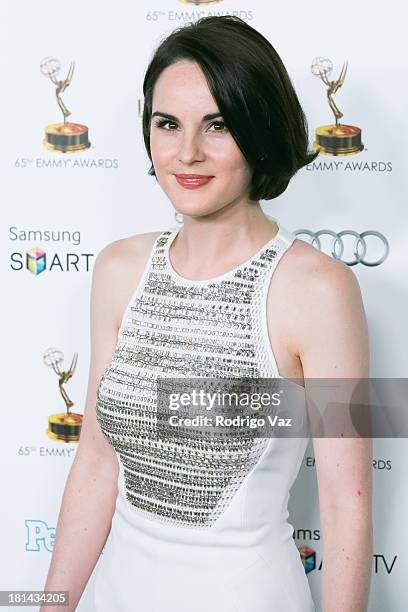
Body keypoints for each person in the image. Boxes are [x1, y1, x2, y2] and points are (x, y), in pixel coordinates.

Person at [41, 15, 373, 612]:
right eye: (167, 124)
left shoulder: (321, 290)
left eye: (217, 125)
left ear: (259, 127)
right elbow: (94, 464)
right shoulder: (118, 270)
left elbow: (345, 503)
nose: (186, 152)